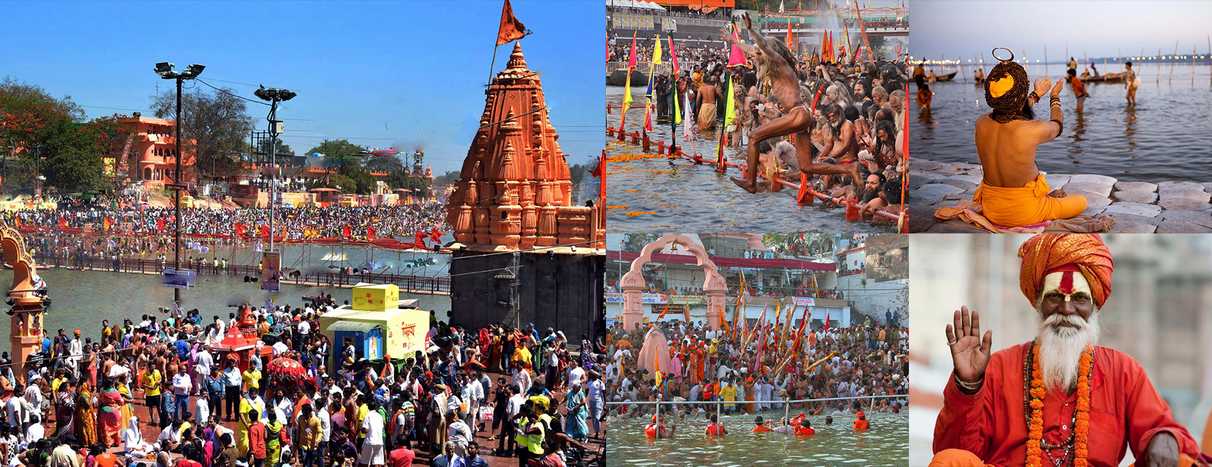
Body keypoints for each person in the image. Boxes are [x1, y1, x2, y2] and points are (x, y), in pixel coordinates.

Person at [930, 233, 1202, 465]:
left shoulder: (1122, 371)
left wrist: (1165, 438)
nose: (1067, 309)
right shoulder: (999, 368)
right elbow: (958, 451)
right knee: (949, 460)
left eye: (1080, 299)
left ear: (1094, 306)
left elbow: (1161, 426)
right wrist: (968, 387)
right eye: (1054, 297)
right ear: (1038, 303)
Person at [936, 54, 1102, 230]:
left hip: (991, 208)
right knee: (1081, 201)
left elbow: (1009, 110)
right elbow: (1057, 125)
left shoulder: (981, 123)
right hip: (1025, 212)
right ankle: (1044, 206)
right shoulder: (1032, 129)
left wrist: (1036, 95)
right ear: (1020, 93)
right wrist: (1054, 96)